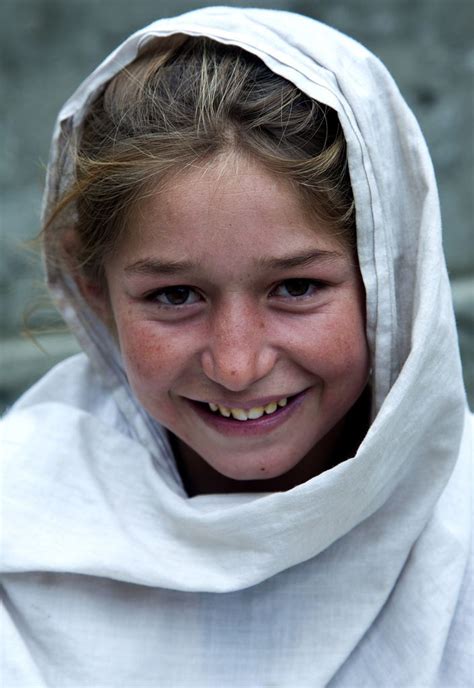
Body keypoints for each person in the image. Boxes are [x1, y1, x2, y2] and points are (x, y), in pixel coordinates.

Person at [1, 7, 471, 687]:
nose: (237, 364)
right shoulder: (23, 536)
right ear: (95, 291)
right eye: (173, 297)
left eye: (297, 287)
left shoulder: (460, 531)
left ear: (392, 278)